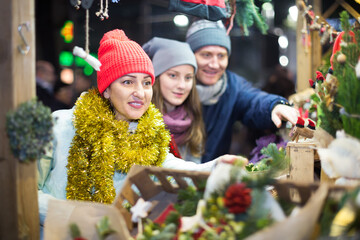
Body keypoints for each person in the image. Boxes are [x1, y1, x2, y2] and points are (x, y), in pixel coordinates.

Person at [37, 29, 244, 228]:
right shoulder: (60, 125)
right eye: (127, 82)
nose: (140, 93)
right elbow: (26, 191)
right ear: (107, 89)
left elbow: (171, 166)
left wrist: (215, 167)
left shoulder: (149, 135)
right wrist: (73, 215)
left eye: (146, 83)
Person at [185, 19, 299, 163]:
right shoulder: (175, 87)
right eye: (206, 55)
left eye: (221, 56)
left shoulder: (231, 87)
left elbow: (253, 100)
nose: (214, 64)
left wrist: (274, 105)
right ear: (190, 56)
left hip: (213, 178)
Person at [143, 37, 205, 163]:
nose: (181, 85)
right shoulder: (139, 120)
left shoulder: (192, 119)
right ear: (156, 78)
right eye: (173, 75)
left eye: (188, 78)